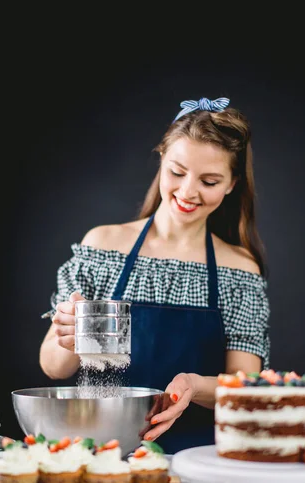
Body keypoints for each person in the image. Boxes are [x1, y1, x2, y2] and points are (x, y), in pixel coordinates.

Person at [39, 96, 270, 453]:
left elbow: (244, 387)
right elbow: (53, 368)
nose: (188, 191)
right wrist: (68, 336)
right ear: (162, 159)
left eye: (209, 181)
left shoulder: (239, 269)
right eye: (178, 172)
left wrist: (193, 386)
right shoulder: (102, 246)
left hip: (198, 459)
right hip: (102, 452)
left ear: (232, 183)